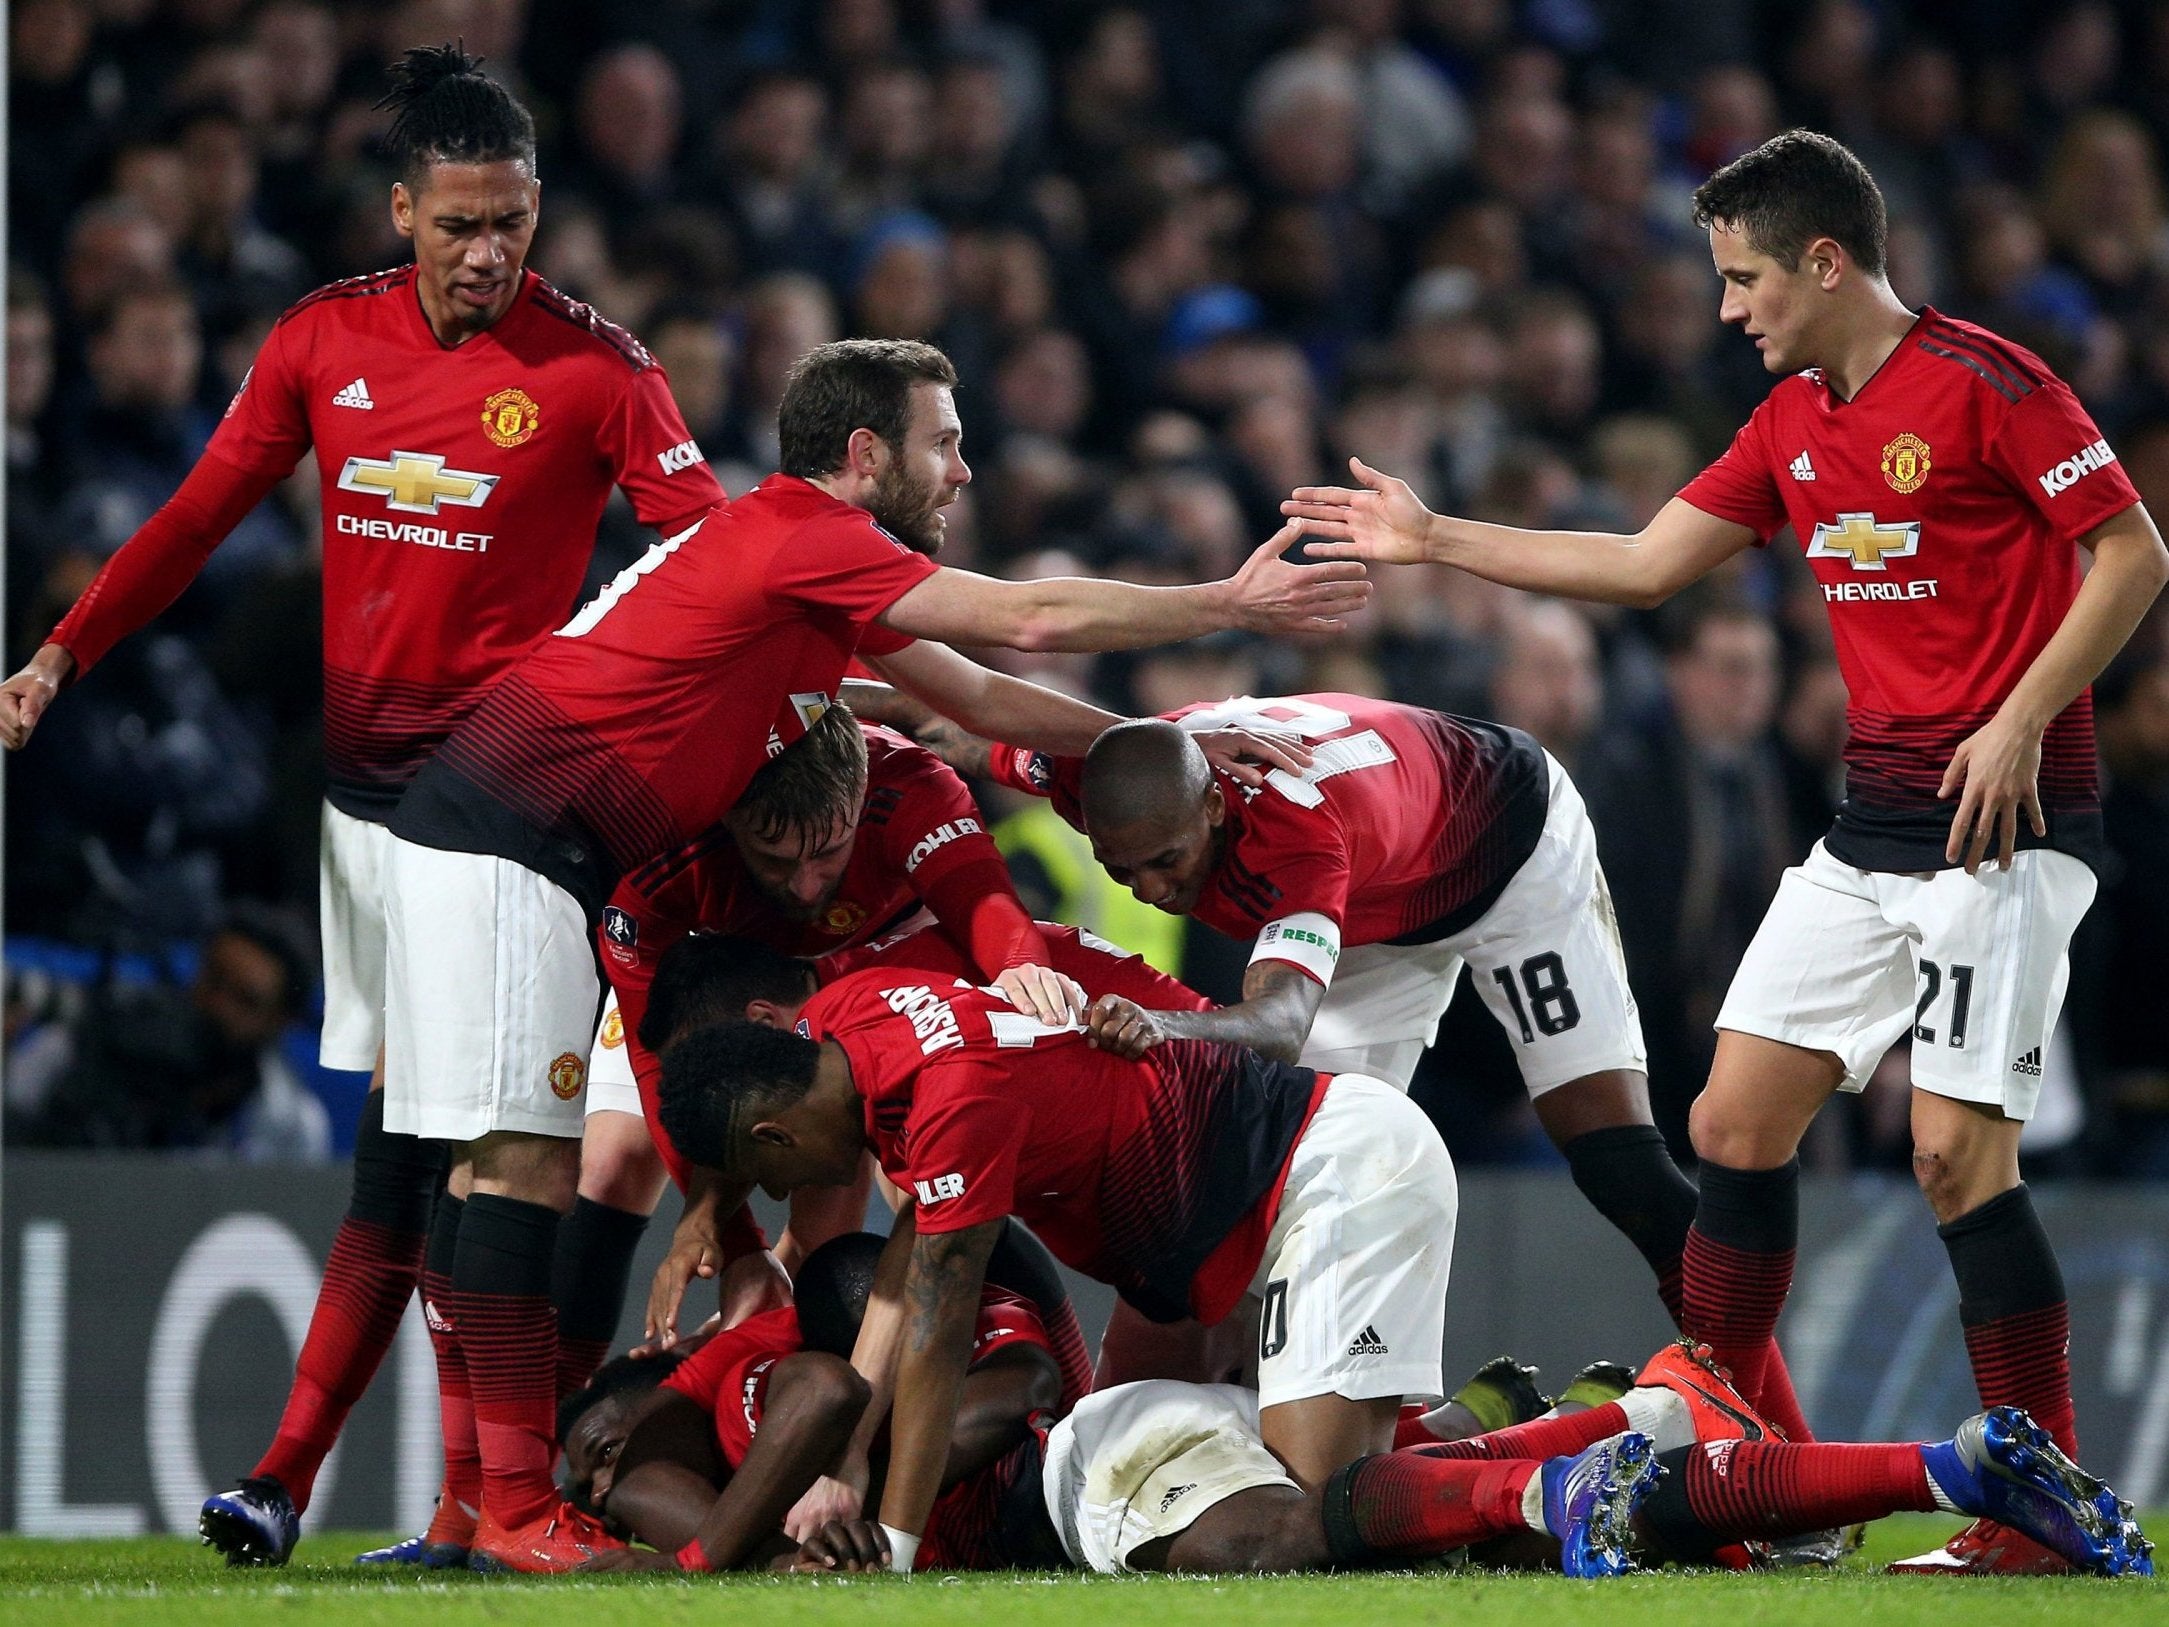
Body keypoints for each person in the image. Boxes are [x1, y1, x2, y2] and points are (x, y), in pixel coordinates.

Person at [1282, 128, 2169, 1573]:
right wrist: (1434, 536)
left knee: (1954, 1154)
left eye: (1745, 276)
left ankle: (2040, 1500)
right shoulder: (1791, 422)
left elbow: (2135, 553)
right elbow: (1639, 564)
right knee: (1730, 1125)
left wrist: (2018, 719)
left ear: (1827, 261)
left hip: (2005, 831)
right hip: (1866, 833)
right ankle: (1726, 1446)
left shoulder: (1992, 384)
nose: (1727, 306)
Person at [370, 335, 1367, 1571]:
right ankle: (508, 1507)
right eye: (943, 442)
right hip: (512, 837)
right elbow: (1031, 617)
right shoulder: (804, 534)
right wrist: (1227, 603)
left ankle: (478, 1507)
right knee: (521, 1168)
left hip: (493, 831)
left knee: (484, 1171)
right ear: (864, 455)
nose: (960, 469)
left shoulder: (796, 570)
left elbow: (987, 697)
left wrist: (1166, 745)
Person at [0, 44, 729, 1570]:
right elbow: (199, 512)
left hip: (515, 809)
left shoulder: (598, 370)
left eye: (512, 225)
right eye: (459, 223)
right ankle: (469, 1504)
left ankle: (482, 1500)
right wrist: (65, 652)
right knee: (422, 1158)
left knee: (495, 1147)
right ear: (402, 210)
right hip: (367, 820)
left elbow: (716, 564)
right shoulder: (320, 341)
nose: (486, 254)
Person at [938, 694, 1725, 1388]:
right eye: (1123, 869)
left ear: (1212, 806)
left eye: (1165, 860)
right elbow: (944, 721)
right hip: (1373, 897)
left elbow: (1279, 1025)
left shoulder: (1290, 836)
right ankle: (1379, 1428)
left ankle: (1760, 1418)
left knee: (1618, 1161)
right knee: (1277, 1190)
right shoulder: (1102, 780)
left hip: (1507, 849)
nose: (1150, 889)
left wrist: (1164, 1024)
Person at [654, 950, 1457, 1574]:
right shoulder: (850, 1015)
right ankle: (1489, 1426)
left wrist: (893, 1542)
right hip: (1246, 1209)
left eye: (765, 1175)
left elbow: (936, 1326)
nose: (778, 1189)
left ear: (776, 1134)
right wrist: (853, 1452)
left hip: (1326, 1173)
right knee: (1288, 1496)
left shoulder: (954, 1103)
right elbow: (913, 1258)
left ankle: (1545, 1458)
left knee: (1309, 1514)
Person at [554, 707, 1066, 1410]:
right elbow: (665, 1066)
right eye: (776, 858)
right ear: (728, 818)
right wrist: (728, 1239)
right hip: (728, 982)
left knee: (916, 1186)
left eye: (829, 853)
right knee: (611, 1164)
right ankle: (545, 1447)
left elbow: (991, 915)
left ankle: (1027, 1396)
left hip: (891, 960)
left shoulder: (907, 786)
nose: (804, 886)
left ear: (857, 801)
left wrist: (1020, 975)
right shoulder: (661, 850)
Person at [560, 1232, 1072, 1574]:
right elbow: (635, 1487)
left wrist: (852, 1476)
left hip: (1033, 1495)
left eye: (605, 1450)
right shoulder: (744, 1374)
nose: (600, 1493)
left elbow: (1025, 1386)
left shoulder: (981, 1313)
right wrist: (792, 1561)